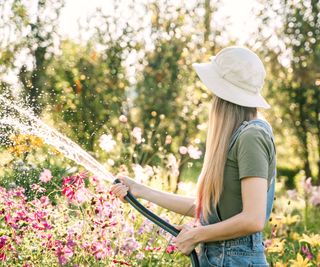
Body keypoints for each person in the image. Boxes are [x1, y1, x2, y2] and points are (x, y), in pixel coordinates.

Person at [110, 46, 276, 267]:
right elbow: (205, 208)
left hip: (236, 260)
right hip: (220, 259)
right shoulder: (237, 136)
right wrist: (140, 190)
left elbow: (253, 219)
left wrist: (197, 235)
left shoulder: (252, 136)